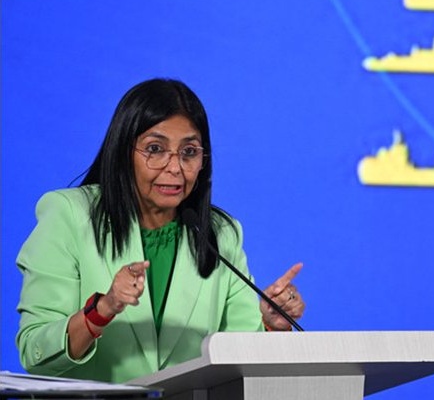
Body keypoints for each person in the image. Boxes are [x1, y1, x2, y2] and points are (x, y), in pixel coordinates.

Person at [15, 78, 306, 383]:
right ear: (123, 151)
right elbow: (35, 352)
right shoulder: (70, 215)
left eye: (189, 152)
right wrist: (103, 308)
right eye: (155, 149)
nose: (175, 167)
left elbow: (237, 362)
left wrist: (270, 324)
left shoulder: (221, 234)